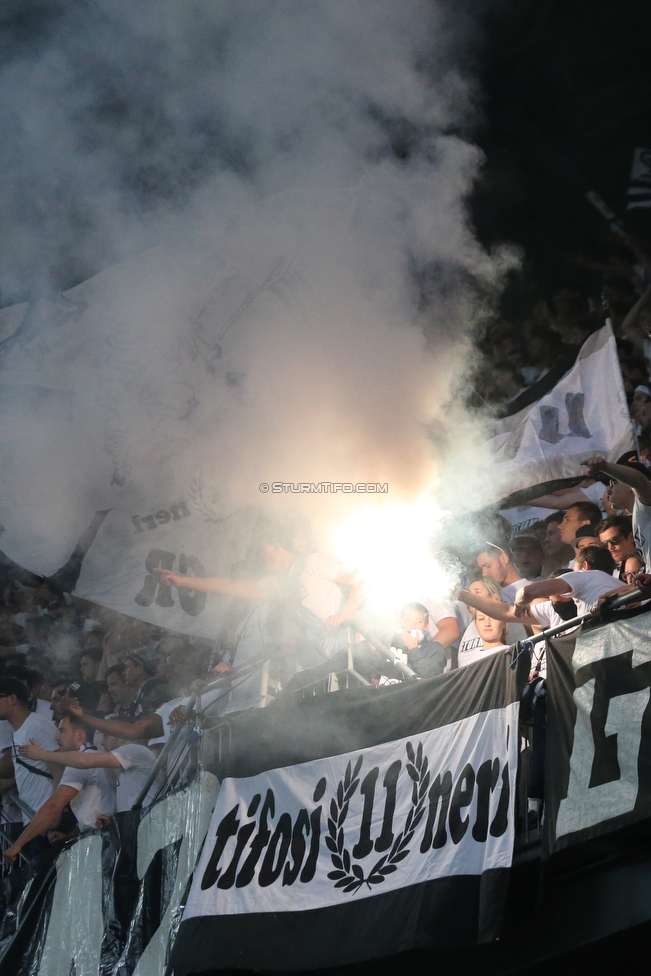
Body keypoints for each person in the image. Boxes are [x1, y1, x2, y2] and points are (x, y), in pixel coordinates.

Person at [155, 519, 361, 659]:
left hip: (351, 643)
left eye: (264, 552)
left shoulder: (312, 562)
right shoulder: (276, 584)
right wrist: (182, 581)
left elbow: (358, 580)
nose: (262, 560)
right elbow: (229, 586)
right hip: (324, 654)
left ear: (277, 546)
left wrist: (345, 615)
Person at [2, 710, 116, 864]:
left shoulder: (78, 764)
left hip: (102, 842)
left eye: (62, 731)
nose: (56, 737)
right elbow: (92, 812)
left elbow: (54, 805)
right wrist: (69, 835)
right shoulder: (95, 756)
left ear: (79, 735)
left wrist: (17, 845)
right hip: (104, 836)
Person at [17, 716, 163, 817]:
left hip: (151, 822)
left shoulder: (136, 751)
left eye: (106, 736)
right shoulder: (122, 767)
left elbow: (85, 761)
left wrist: (43, 754)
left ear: (122, 737)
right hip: (139, 825)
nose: (102, 743)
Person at [0, 677, 57, 822]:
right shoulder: (20, 730)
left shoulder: (37, 726)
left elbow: (60, 768)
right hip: (32, 817)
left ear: (12, 698)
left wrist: (56, 813)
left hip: (46, 819)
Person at [581, 454, 651, 570]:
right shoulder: (638, 516)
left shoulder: (645, 506)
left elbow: (640, 482)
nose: (608, 492)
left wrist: (605, 466)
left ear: (631, 486)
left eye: (613, 483)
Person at [513, 546, 625, 618]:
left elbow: (527, 592)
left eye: (574, 568)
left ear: (585, 566)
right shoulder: (622, 585)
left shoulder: (584, 575)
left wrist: (518, 605)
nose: (571, 571)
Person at [387, 604, 446, 679]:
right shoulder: (396, 647)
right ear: (402, 625)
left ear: (426, 626)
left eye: (419, 621)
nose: (412, 626)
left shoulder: (435, 648)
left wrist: (413, 649)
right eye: (407, 621)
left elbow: (431, 678)